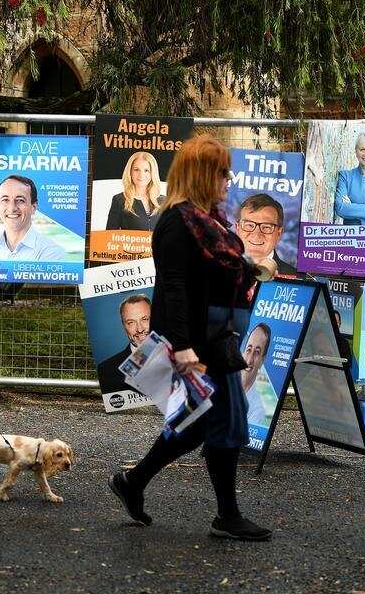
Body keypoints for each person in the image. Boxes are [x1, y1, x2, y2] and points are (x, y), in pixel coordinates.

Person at [108, 134, 271, 541]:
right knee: (224, 419)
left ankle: (134, 482)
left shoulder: (207, 219)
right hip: (199, 341)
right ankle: (227, 517)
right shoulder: (178, 222)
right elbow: (175, 286)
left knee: (199, 421)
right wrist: (182, 346)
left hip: (217, 335)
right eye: (221, 171)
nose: (228, 179)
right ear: (200, 174)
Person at [0, 175, 65, 261]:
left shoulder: (51, 251)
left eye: (20, 200)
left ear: (33, 207)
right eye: (5, 199)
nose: (12, 208)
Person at [96, 294, 151, 393]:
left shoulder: (182, 354)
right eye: (131, 322)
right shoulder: (106, 370)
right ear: (123, 326)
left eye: (145, 319)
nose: (140, 329)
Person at [235, 194, 296, 276]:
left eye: (266, 227)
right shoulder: (218, 270)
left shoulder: (296, 277)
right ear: (237, 228)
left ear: (279, 233)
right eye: (249, 225)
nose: (257, 234)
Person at [105, 152, 164, 231]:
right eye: (136, 170)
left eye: (146, 170)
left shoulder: (164, 201)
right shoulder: (119, 200)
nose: (141, 175)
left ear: (152, 173)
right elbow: (109, 237)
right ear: (130, 172)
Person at [242, 323, 270, 425]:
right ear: (243, 352)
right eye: (248, 350)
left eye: (257, 352)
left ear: (262, 360)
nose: (249, 360)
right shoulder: (223, 382)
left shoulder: (258, 408)